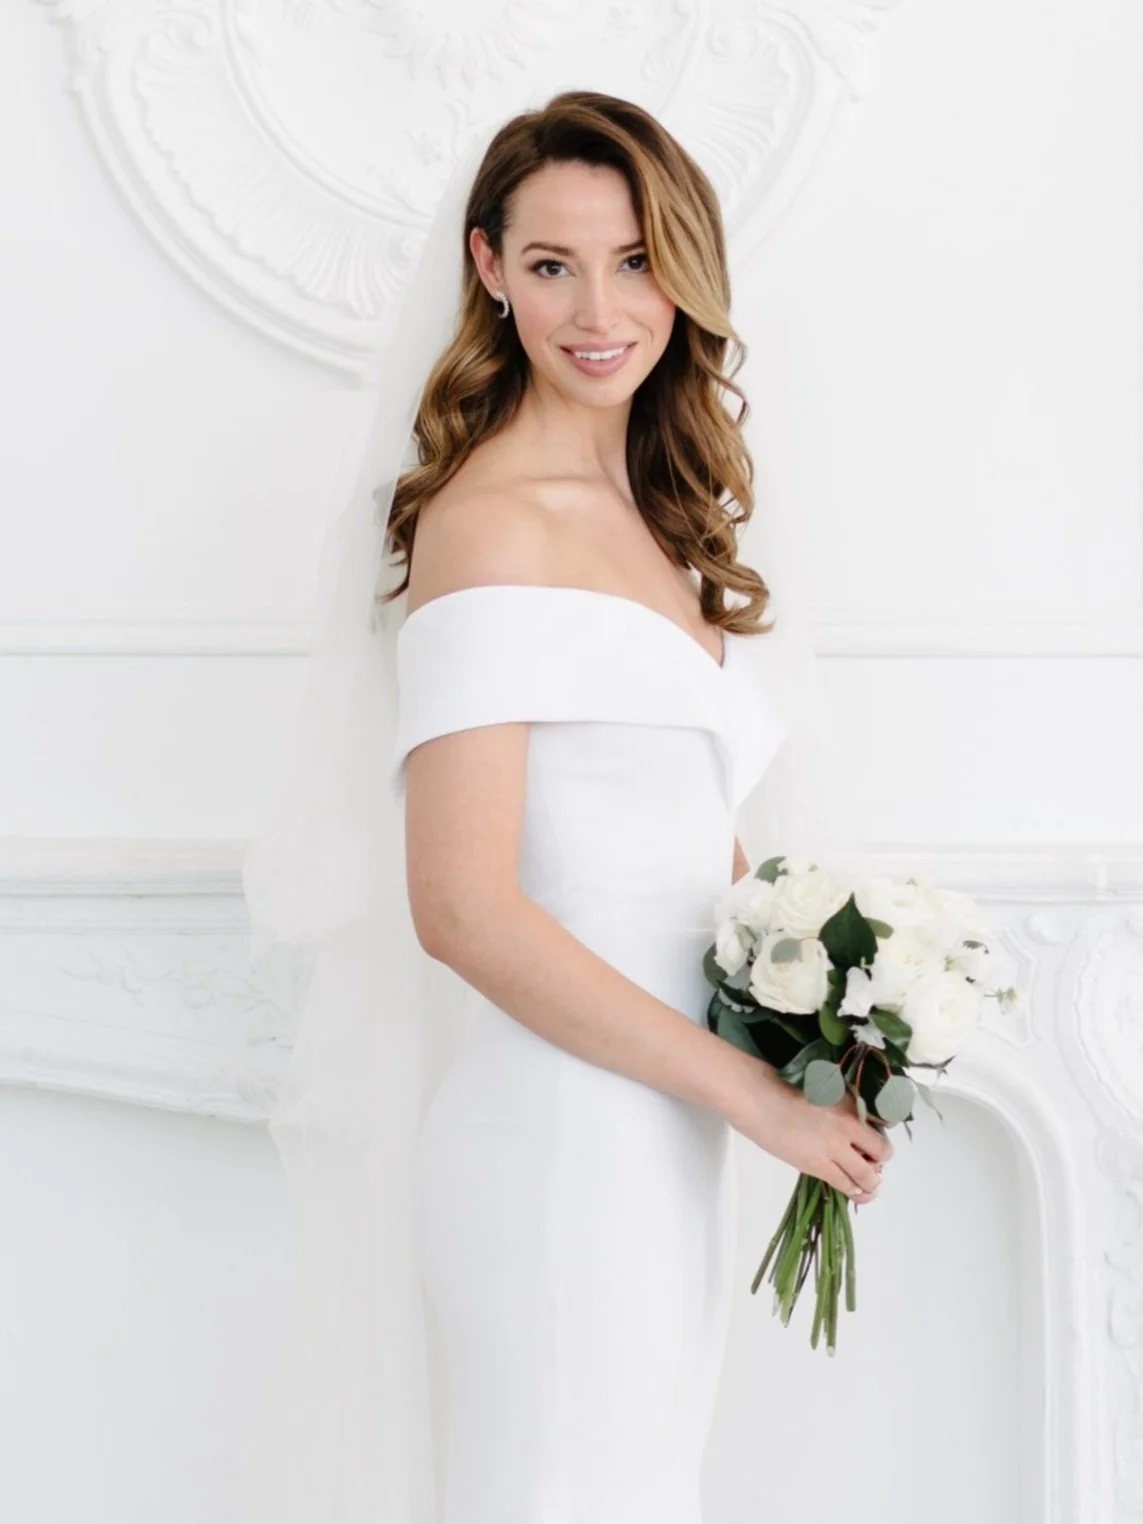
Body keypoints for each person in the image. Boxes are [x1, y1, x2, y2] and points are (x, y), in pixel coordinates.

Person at [244, 88, 891, 1524]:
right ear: (486, 267)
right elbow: (462, 908)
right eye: (550, 265)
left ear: (684, 272)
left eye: (634, 261)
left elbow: (683, 850)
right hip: (556, 1141)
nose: (597, 308)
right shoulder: (484, 522)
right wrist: (752, 1100)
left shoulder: (665, 526)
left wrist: (822, 1024)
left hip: (660, 1133)